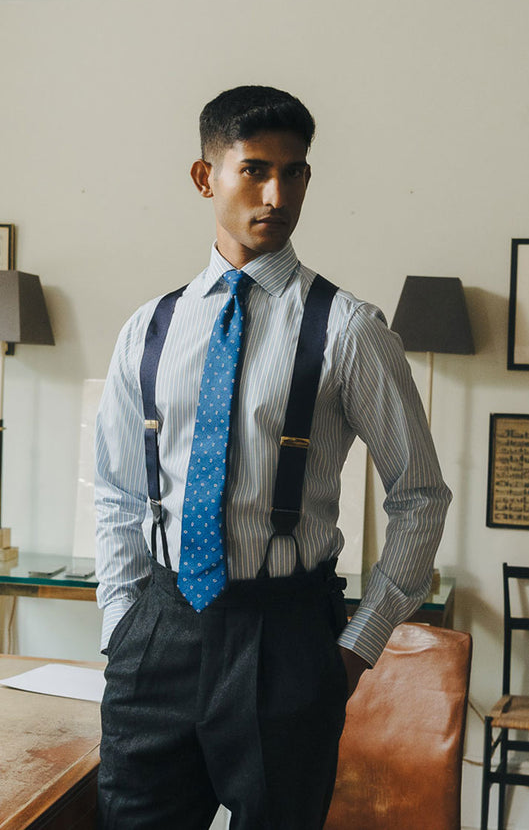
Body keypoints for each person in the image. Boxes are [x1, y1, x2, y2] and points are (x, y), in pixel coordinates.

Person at [95, 85, 452, 830]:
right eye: (253, 170)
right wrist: (121, 622)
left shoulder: (349, 330)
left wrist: (358, 644)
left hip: (285, 638)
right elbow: (120, 493)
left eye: (293, 174)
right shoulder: (149, 328)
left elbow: (419, 494)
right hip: (158, 632)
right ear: (205, 178)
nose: (275, 192)